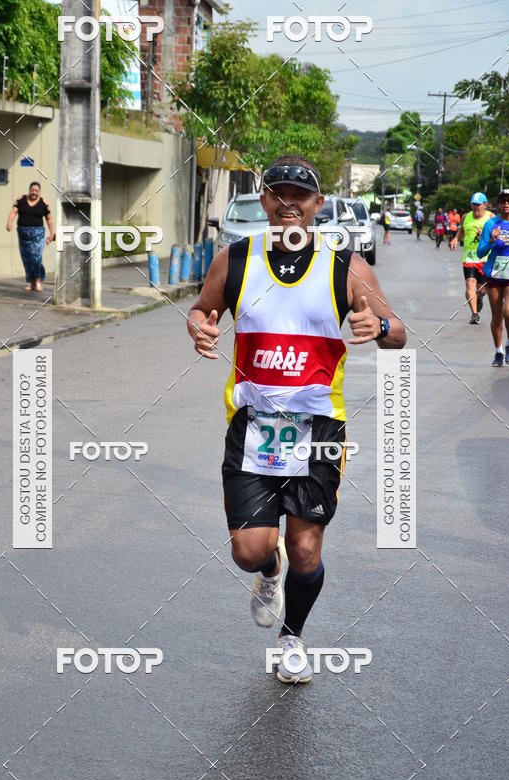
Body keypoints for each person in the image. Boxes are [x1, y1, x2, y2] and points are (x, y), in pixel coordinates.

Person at [187, 155, 406, 684]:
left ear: (317, 205)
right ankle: (268, 572)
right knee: (249, 550)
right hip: (252, 424)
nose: (289, 204)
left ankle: (292, 639)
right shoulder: (234, 260)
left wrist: (378, 328)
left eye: (300, 196)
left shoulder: (346, 266)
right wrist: (198, 326)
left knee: (306, 548)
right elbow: (200, 308)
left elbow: (398, 331)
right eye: (278, 193)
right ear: (264, 200)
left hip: (319, 429)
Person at [477, 188, 509, 367]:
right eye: (503, 201)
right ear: (498, 204)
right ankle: (498, 351)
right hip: (494, 274)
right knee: (497, 316)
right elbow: (480, 252)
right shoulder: (491, 224)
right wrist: (491, 241)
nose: (506, 204)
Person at [449, 192, 492, 324]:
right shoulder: (465, 217)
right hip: (469, 258)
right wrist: (456, 239)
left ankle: (479, 297)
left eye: (478, 204)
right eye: (473, 204)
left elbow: (499, 236)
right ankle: (474, 314)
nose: (475, 207)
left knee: (482, 290)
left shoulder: (491, 217)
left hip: (485, 258)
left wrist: (485, 235)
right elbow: (461, 231)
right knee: (470, 283)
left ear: (485, 205)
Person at [6, 181, 55, 292]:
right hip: (23, 235)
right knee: (27, 259)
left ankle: (37, 281)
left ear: (39, 192)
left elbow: (49, 219)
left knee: (36, 257)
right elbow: (13, 212)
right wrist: (9, 222)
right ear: (29, 190)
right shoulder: (21, 199)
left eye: (36, 191)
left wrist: (52, 234)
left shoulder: (43, 203)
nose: (34, 193)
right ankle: (32, 283)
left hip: (38, 235)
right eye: (32, 190)